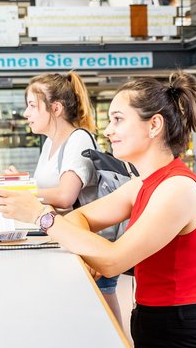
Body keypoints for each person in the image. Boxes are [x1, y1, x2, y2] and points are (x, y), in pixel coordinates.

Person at [0, 72, 196, 348]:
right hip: (154, 330)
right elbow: (79, 219)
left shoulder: (178, 189)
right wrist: (81, 244)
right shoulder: (145, 183)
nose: (108, 129)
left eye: (118, 119)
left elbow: (114, 260)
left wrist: (41, 216)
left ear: (154, 125)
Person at [7, 71, 122, 325]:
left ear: (55, 108)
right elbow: (46, 187)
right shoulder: (50, 143)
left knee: (104, 319)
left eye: (32, 106)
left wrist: (23, 194)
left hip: (89, 244)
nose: (26, 113)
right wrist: (21, 184)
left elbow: (64, 195)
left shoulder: (77, 139)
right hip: (67, 239)